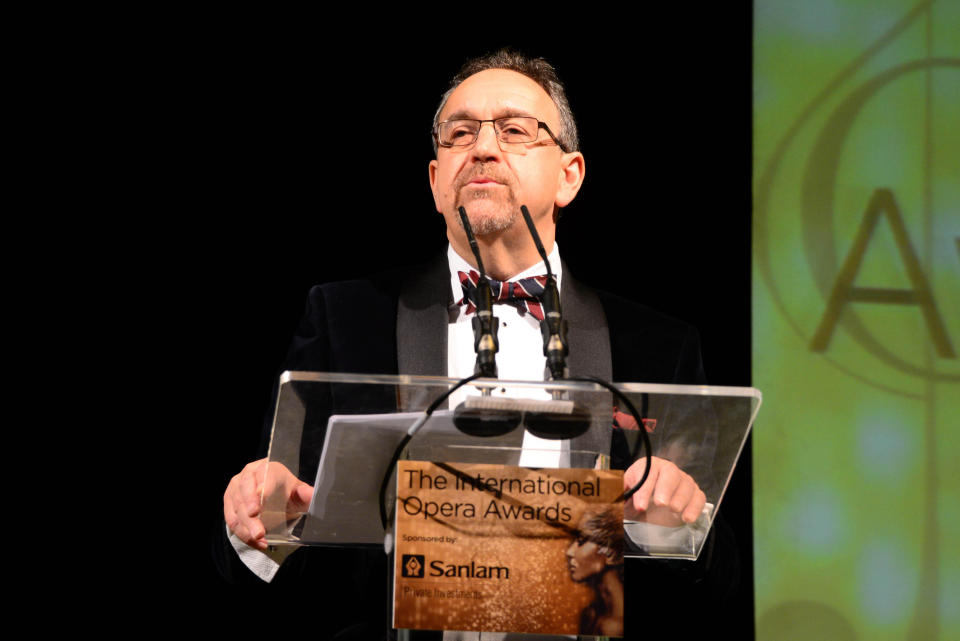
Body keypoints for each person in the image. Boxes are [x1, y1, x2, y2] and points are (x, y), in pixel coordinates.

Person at [216, 49, 731, 639]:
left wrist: (674, 528)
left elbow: (720, 592)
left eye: (515, 130)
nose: (483, 148)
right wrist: (262, 520)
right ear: (436, 181)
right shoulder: (346, 320)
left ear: (570, 175)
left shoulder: (659, 345)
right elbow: (259, 567)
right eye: (459, 134)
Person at [566, 506, 625, 637]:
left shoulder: (615, 626)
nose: (569, 552)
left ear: (610, 553)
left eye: (581, 541)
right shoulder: (591, 614)